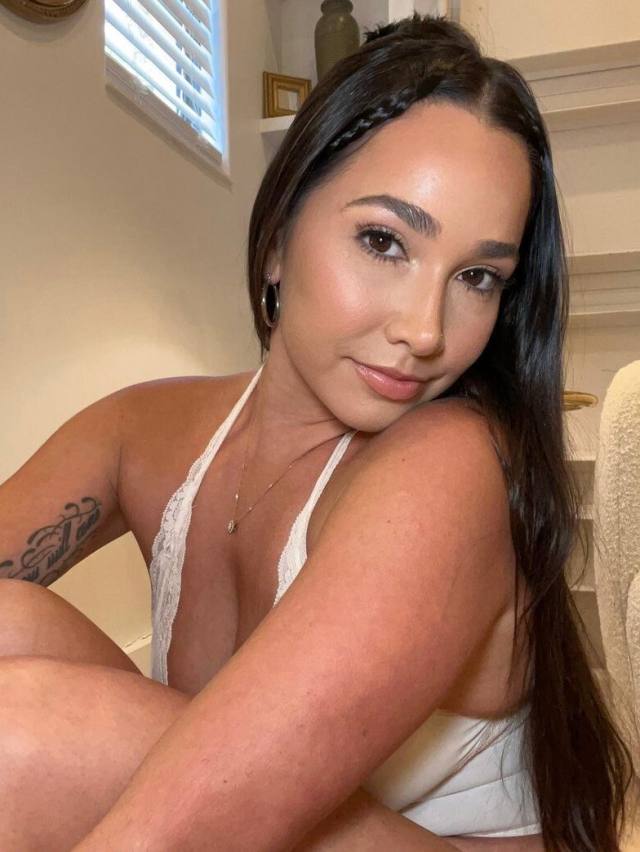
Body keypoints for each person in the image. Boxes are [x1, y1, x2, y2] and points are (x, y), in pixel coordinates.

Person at [0, 12, 635, 851]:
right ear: (278, 240)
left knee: (17, 743)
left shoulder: (453, 464)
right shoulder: (142, 428)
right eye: (384, 241)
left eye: (478, 277)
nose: (425, 330)